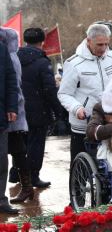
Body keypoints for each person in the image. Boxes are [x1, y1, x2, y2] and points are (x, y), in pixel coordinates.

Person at [58, 24, 112, 167]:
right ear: (88, 40)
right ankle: (78, 187)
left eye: (106, 44)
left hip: (111, 120)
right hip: (84, 122)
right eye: (99, 44)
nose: (103, 48)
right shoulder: (74, 63)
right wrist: (77, 108)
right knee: (81, 165)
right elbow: (64, 93)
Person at [16, 28, 63, 188]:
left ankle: (16, 173)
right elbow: (49, 89)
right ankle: (33, 176)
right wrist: (58, 111)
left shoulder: (14, 58)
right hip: (38, 111)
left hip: (17, 109)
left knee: (19, 143)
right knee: (36, 145)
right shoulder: (42, 62)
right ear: (42, 42)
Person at [0, 27, 33, 202]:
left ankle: (27, 187)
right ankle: (27, 186)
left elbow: (14, 85)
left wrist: (13, 109)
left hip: (10, 112)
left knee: (16, 151)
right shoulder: (12, 55)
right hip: (11, 110)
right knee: (17, 151)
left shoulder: (10, 57)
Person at [0, 37, 19, 214]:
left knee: (1, 160)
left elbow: (10, 79)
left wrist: (12, 107)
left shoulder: (1, 48)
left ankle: (0, 200)